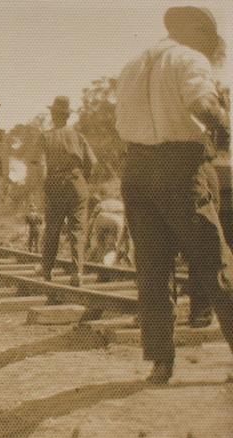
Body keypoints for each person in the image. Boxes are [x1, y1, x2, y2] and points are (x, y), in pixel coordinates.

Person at [115, 6, 233, 384]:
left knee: (151, 271)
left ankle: (160, 365)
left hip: (135, 170)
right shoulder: (190, 59)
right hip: (179, 169)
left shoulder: (134, 64)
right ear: (199, 34)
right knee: (216, 263)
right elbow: (202, 103)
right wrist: (223, 128)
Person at [33, 96, 97, 286]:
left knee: (52, 229)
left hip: (55, 184)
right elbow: (92, 162)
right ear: (67, 116)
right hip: (77, 183)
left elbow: (37, 163)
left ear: (53, 115)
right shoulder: (78, 136)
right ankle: (77, 273)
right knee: (77, 230)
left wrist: (45, 184)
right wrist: (83, 179)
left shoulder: (45, 136)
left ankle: (47, 272)